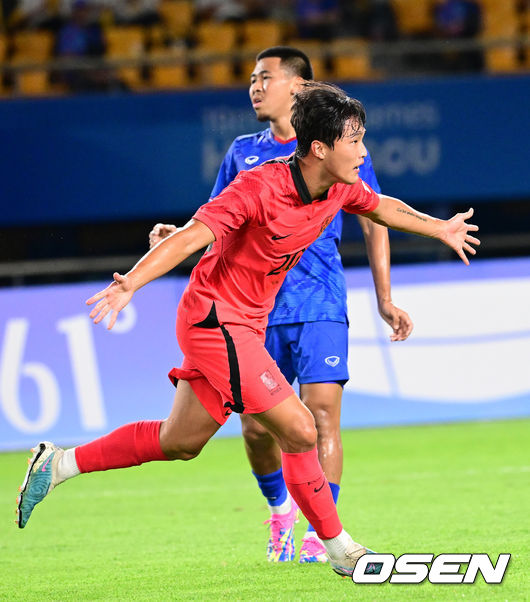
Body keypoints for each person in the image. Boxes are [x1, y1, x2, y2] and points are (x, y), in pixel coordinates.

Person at [16, 82, 480, 580]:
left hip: (244, 324)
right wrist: (132, 281)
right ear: (320, 148)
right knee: (301, 429)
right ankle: (339, 547)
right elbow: (195, 235)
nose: (364, 150)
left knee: (181, 440)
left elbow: (382, 206)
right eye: (355, 140)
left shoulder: (339, 186)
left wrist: (440, 228)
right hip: (215, 320)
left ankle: (58, 464)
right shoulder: (258, 186)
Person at [149, 46, 413, 565]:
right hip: (251, 311)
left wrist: (384, 298)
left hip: (319, 300)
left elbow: (376, 216)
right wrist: (177, 237)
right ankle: (280, 512)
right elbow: (215, 222)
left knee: (321, 418)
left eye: (263, 77)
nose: (253, 86)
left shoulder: (341, 145)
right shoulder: (242, 153)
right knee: (255, 428)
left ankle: (322, 536)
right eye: (250, 77)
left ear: (297, 88)